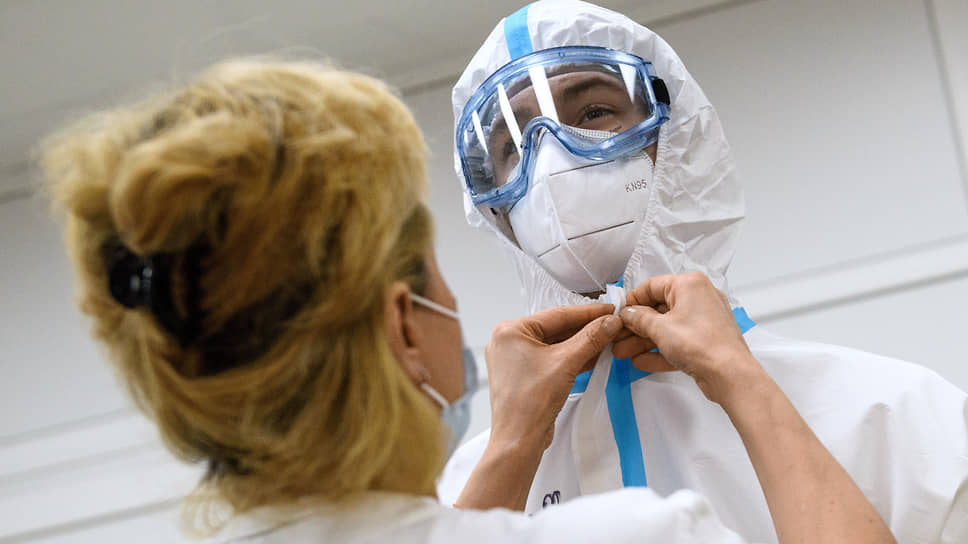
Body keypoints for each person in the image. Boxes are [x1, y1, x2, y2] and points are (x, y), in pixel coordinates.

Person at [40, 59, 895, 543]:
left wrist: (514, 441)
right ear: (403, 326)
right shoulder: (638, 535)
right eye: (430, 267)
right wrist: (744, 383)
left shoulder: (888, 410)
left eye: (595, 111)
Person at [439, 2, 968, 543]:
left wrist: (739, 380)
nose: (552, 163)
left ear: (679, 137)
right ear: (493, 210)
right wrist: (511, 447)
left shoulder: (896, 418)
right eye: (512, 147)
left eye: (594, 113)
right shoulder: (464, 486)